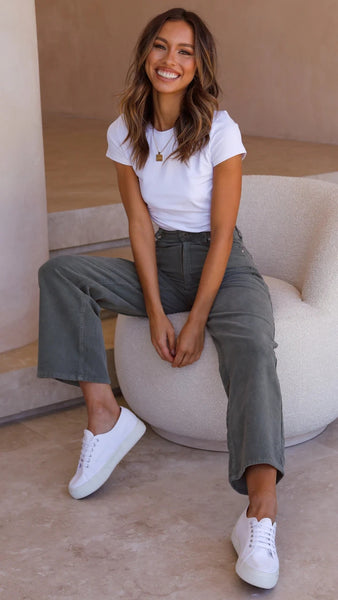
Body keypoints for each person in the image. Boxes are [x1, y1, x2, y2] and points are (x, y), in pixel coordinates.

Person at [37, 8, 284, 590]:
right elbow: (139, 225)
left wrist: (195, 318)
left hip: (221, 266)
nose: (169, 61)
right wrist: (153, 309)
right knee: (60, 274)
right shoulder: (124, 131)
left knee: (251, 349)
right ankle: (105, 415)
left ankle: (260, 514)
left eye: (185, 52)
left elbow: (222, 233)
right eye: (160, 46)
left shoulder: (221, 130)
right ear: (145, 54)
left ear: (200, 66)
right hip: (161, 262)